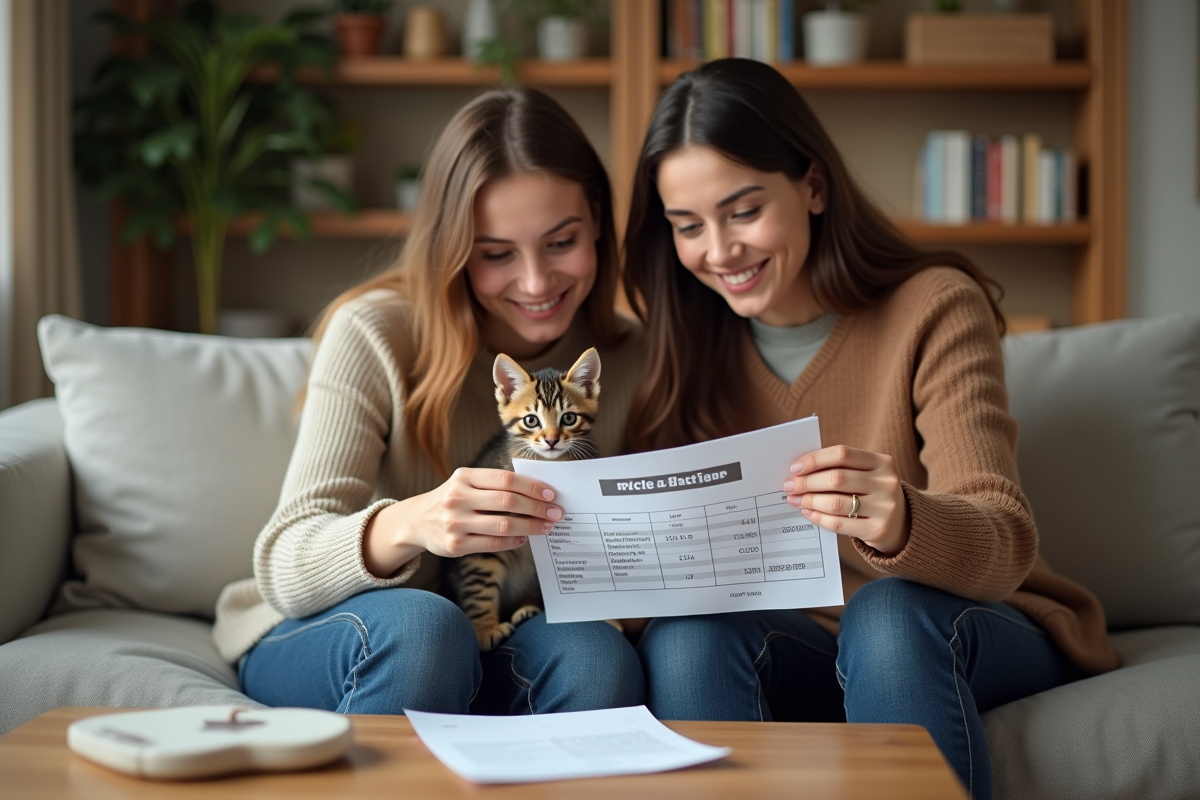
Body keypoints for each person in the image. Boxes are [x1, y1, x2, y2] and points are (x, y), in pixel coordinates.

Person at [621, 58, 1120, 800]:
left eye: (744, 210)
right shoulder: (679, 347)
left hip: (958, 622)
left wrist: (900, 520)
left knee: (886, 617)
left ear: (814, 187)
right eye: (688, 226)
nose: (719, 252)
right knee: (688, 637)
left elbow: (1005, 541)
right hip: (794, 640)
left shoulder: (934, 307)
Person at [211, 87, 645, 717]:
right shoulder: (376, 332)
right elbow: (284, 561)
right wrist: (414, 523)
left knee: (598, 662)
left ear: (599, 220)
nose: (535, 282)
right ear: (455, 247)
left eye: (561, 241)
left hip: (502, 622)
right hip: (337, 627)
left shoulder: (622, 359)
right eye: (496, 253)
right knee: (425, 631)